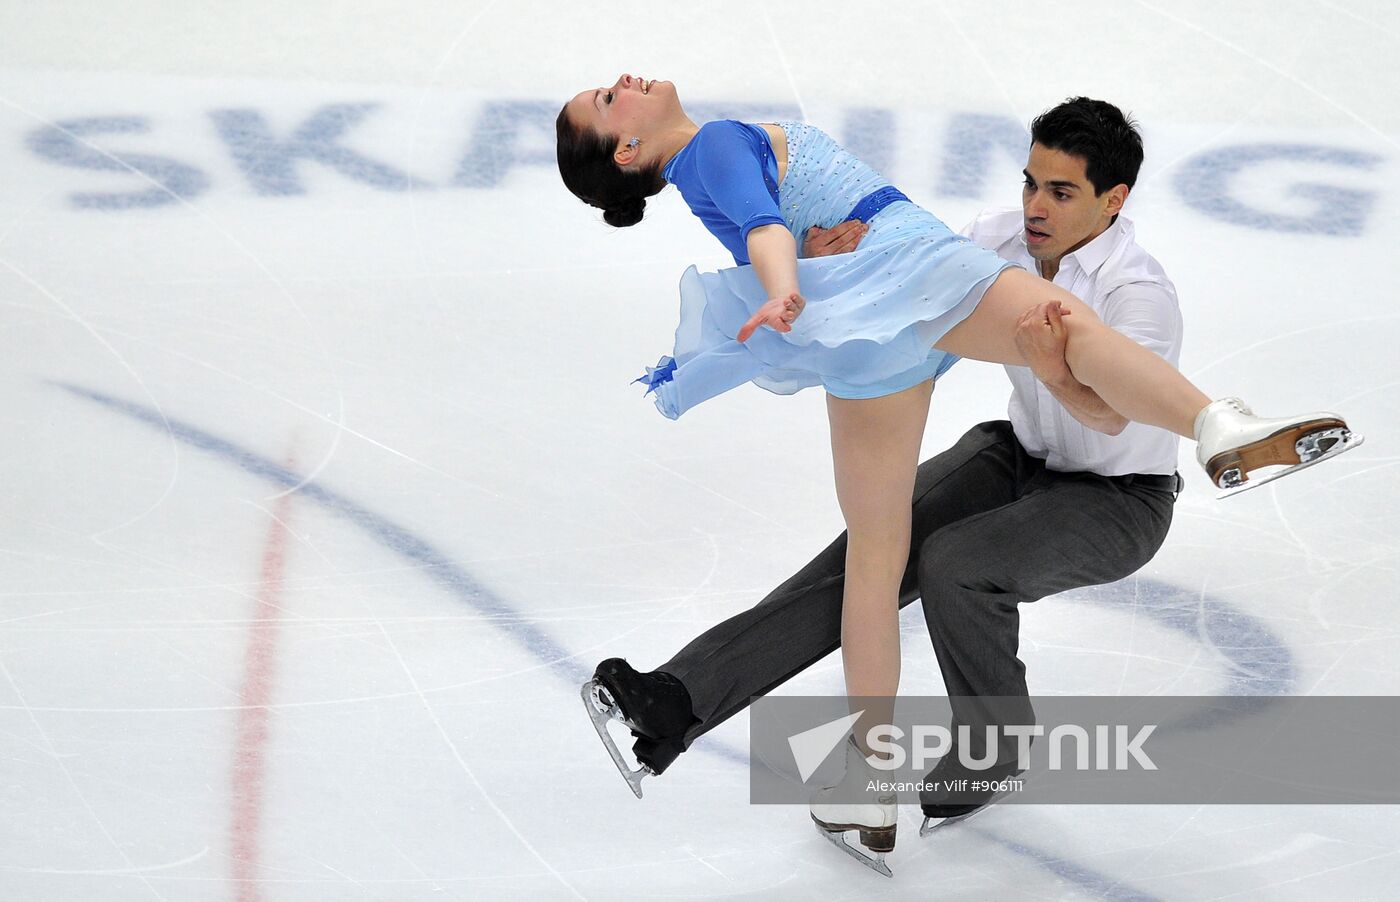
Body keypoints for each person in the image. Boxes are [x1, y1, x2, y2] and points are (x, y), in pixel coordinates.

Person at [558, 77, 1358, 873]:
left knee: (939, 556)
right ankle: (686, 702)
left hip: (1114, 495)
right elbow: (801, 237)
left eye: (1060, 191)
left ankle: (956, 757)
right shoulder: (999, 239)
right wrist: (800, 271)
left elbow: (1114, 417)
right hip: (991, 427)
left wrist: (1046, 366)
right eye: (1029, 182)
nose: (1035, 206)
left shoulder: (1136, 289)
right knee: (864, 559)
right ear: (628, 149)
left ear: (1113, 200)